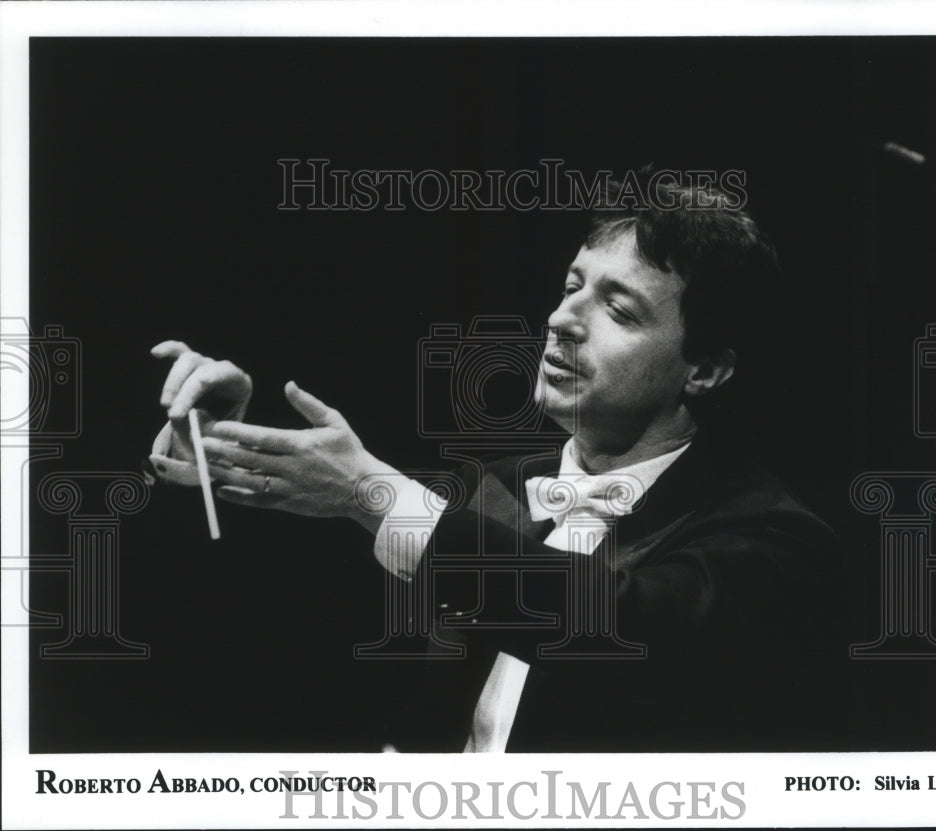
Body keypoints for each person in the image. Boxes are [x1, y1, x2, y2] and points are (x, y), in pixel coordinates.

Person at [149, 174, 843, 752]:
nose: (562, 319)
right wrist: (222, 447)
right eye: (572, 284)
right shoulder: (497, 487)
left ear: (708, 369)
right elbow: (313, 608)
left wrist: (368, 492)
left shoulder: (773, 540)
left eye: (618, 309)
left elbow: (610, 623)